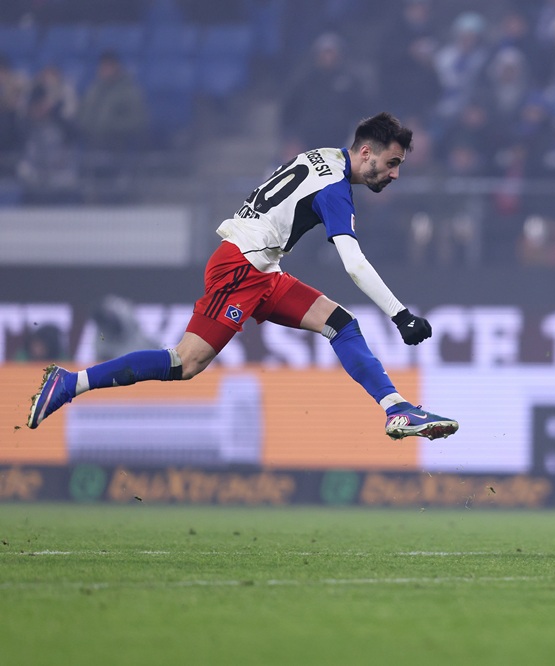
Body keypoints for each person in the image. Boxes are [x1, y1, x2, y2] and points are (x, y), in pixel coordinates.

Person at [28, 112, 459, 441]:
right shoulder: (335, 189)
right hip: (241, 266)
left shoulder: (325, 158)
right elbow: (353, 262)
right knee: (185, 362)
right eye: (391, 162)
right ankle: (70, 384)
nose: (394, 174)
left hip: (262, 267)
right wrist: (401, 314)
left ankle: (397, 409)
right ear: (366, 152)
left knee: (341, 324)